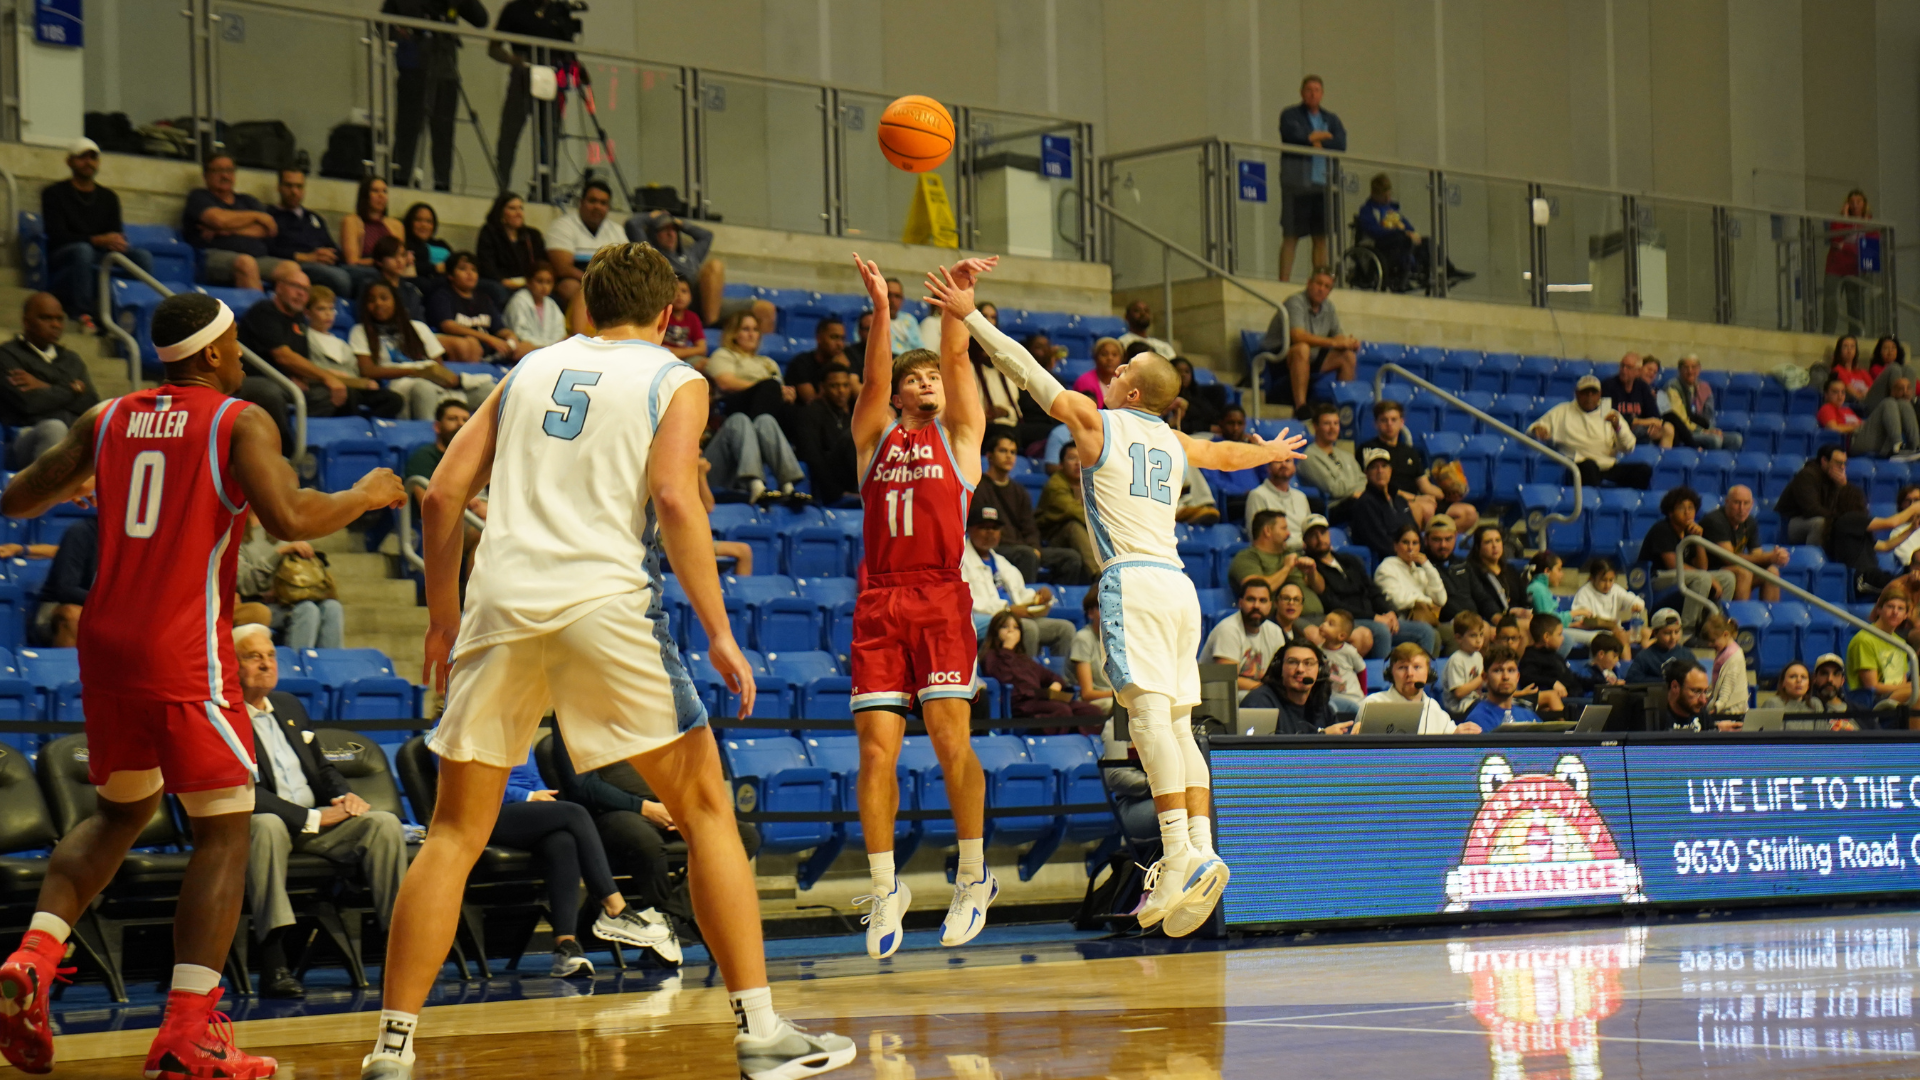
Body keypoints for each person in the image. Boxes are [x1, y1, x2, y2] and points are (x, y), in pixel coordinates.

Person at [363, 244, 854, 1080]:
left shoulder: (527, 369)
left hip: (501, 604)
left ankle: (391, 1050)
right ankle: (761, 1032)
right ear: (668, 313)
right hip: (603, 603)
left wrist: (443, 617)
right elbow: (672, 497)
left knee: (452, 833)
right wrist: (721, 630)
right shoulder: (674, 377)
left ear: (582, 308)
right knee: (704, 811)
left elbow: (442, 494)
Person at [0, 292, 404, 1078]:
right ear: (218, 354)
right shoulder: (237, 419)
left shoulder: (108, 417)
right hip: (184, 649)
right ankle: (189, 1030)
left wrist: (88, 489)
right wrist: (367, 495)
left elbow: (18, 497)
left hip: (105, 646)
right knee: (225, 826)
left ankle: (33, 955)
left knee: (119, 813)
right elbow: (289, 518)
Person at [954, 260, 1309, 940]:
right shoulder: (1173, 441)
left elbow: (1028, 373)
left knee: (1146, 721)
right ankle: (1200, 850)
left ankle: (1176, 855)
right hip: (1179, 587)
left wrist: (971, 316)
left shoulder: (1099, 422)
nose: (1107, 374)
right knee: (1178, 726)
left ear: (1132, 386)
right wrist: (1265, 451)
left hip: (1133, 581)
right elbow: (1227, 458)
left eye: (1119, 370)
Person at [842, 254, 998, 961]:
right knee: (876, 753)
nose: (927, 380)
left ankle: (972, 875)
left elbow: (960, 358)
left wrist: (953, 303)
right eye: (916, 378)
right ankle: (885, 887)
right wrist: (880, 310)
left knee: (947, 739)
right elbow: (874, 378)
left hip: (938, 594)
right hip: (879, 599)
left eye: (931, 374)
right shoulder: (874, 438)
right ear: (900, 393)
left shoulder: (960, 437)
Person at [235, 624, 408, 999]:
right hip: (265, 826)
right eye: (253, 657)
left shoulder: (288, 705)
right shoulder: (224, 718)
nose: (266, 665)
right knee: (265, 825)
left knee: (383, 823)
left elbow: (322, 768)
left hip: (316, 823)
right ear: (232, 667)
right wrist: (311, 818)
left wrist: (345, 798)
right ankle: (274, 961)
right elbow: (243, 791)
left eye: (270, 656)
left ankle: (398, 950)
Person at [541, 723, 720, 965]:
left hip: (665, 807)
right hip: (614, 813)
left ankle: (665, 918)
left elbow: (675, 770)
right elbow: (583, 787)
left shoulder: (639, 712)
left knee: (742, 836)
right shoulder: (570, 720)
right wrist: (644, 808)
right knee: (645, 842)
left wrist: (678, 806)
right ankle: (657, 925)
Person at [495, 741, 674, 978]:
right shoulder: (453, 728)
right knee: (575, 812)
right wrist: (528, 796)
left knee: (562, 842)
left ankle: (565, 947)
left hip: (524, 812)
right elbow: (472, 786)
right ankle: (614, 909)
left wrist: (545, 799)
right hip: (485, 813)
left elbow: (533, 778)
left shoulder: (516, 730)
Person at [240, 264, 405, 421]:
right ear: (279, 287)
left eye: (305, 289)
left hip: (288, 380)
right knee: (272, 393)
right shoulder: (264, 311)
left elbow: (299, 357)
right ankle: (285, 445)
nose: (301, 293)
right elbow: (283, 356)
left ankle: (333, 436)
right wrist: (327, 377)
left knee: (335, 394)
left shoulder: (297, 319)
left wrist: (299, 376)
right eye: (295, 286)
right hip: (255, 378)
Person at [41, 138, 154, 326]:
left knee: (143, 258)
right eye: (82, 157)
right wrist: (97, 240)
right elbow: (57, 235)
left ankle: (130, 309)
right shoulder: (54, 193)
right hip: (65, 255)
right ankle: (83, 313)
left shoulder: (109, 197)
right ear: (69, 161)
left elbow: (115, 233)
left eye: (93, 158)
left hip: (100, 254)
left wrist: (116, 242)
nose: (88, 162)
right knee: (82, 251)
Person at [352, 281, 494, 421]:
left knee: (488, 389)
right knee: (424, 388)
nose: (378, 304)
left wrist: (442, 378)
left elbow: (437, 366)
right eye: (371, 300)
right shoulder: (360, 331)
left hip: (432, 381)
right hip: (398, 385)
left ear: (395, 301)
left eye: (384, 298)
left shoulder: (418, 327)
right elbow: (367, 370)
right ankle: (431, 437)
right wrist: (415, 372)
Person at [383, 0, 485, 190]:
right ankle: (399, 181)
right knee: (408, 129)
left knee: (443, 134)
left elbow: (481, 19)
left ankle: (442, 184)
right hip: (414, 68)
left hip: (445, 70)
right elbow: (382, 24)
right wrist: (401, 33)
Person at [629, 210, 775, 332]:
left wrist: (681, 223)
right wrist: (652, 216)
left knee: (765, 309)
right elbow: (632, 225)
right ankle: (709, 325)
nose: (670, 234)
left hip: (704, 302)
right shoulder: (651, 253)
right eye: (664, 230)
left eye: (674, 230)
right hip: (679, 303)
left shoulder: (690, 254)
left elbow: (707, 236)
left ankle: (760, 361)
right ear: (654, 234)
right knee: (714, 266)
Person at [1305, 516, 1431, 657]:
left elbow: (1372, 590)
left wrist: (1389, 612)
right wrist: (1374, 617)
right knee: (1381, 631)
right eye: (1313, 536)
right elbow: (1331, 604)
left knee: (1426, 632)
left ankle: (1423, 676)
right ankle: (1385, 677)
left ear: (1328, 534)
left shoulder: (1350, 560)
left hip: (1373, 617)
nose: (1319, 538)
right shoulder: (1312, 570)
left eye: (1322, 533)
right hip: (1350, 621)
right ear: (1305, 542)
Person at [0, 293, 100, 468]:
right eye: (45, 318)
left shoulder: (72, 360)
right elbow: (28, 403)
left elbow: (91, 404)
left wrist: (44, 386)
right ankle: (46, 494)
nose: (55, 325)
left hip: (72, 439)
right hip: (23, 440)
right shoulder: (7, 355)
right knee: (54, 428)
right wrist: (72, 390)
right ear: (26, 322)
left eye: (59, 319)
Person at [961, 504, 1073, 658]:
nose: (990, 532)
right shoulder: (959, 562)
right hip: (983, 620)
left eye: (995, 528)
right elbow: (969, 604)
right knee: (1027, 628)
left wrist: (1038, 598)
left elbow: (1020, 594)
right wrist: (1007, 610)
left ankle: (1060, 679)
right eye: (983, 527)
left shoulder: (1001, 562)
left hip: (1012, 617)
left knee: (1064, 629)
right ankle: (1025, 678)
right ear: (970, 529)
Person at [970, 433, 1083, 585]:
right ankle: (1025, 600)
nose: (1009, 456)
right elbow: (979, 526)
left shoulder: (1019, 490)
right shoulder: (979, 488)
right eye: (1003, 451)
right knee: (1027, 555)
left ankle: (1060, 600)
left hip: (1022, 548)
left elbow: (1030, 527)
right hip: (995, 547)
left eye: (1013, 452)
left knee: (1071, 558)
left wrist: (1035, 547)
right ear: (989, 456)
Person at [488, 0, 575, 185]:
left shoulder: (559, 11)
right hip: (523, 74)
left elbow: (569, 51)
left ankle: (545, 187)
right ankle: (503, 186)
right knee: (509, 135)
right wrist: (513, 60)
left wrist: (575, 72)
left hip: (552, 76)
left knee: (549, 136)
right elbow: (493, 48)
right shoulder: (515, 9)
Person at [236, 513, 344, 650]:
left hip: (292, 597)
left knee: (332, 607)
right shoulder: (235, 534)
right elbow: (246, 584)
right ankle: (298, 667)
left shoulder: (283, 527)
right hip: (260, 603)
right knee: (307, 610)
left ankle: (331, 666)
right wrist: (279, 553)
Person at [1276, 75, 1345, 282]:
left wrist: (1315, 139)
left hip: (1323, 185)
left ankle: (1319, 281)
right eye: (1309, 89)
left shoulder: (1330, 119)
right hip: (1297, 185)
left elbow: (1340, 143)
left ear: (1322, 94)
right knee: (1291, 235)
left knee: (1320, 237)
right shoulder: (1290, 114)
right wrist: (1317, 138)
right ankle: (1283, 281)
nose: (1313, 93)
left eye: (1316, 90)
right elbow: (1293, 137)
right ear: (1301, 92)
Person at [1639, 486, 1735, 632]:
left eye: (1691, 507)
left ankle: (1713, 627)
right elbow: (1673, 565)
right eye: (1681, 508)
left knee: (1728, 577)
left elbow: (1702, 567)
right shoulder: (1662, 529)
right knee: (1703, 578)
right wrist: (1707, 576)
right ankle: (1688, 628)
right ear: (1670, 512)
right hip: (1657, 578)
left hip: (1683, 577)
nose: (1687, 512)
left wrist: (1698, 540)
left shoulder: (1690, 532)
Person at [978, 612, 1102, 725]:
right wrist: (1007, 649)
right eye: (1005, 627)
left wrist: (1056, 684)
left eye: (1016, 628)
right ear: (995, 631)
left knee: (1091, 711)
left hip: (1040, 700)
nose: (1011, 631)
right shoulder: (990, 656)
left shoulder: (1023, 658)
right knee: (1060, 710)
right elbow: (1004, 677)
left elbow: (1051, 676)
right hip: (1020, 705)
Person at [1530, 375, 1650, 488]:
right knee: (1589, 466)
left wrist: (1617, 428)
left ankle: (1622, 504)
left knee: (1643, 470)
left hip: (1607, 465)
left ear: (1600, 394)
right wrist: (1538, 430)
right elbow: (1536, 427)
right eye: (1585, 393)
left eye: (1594, 393)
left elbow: (1628, 447)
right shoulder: (1563, 410)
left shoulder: (1609, 412)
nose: (1589, 397)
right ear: (1576, 393)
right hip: (1577, 466)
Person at [1356, 173, 1470, 292]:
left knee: (1427, 242)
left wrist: (1411, 233)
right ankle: (1404, 275)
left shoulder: (1392, 210)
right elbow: (1375, 231)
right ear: (1375, 194)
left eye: (1389, 195)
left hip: (1400, 240)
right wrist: (1398, 231)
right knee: (1401, 237)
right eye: (1384, 196)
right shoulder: (1367, 211)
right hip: (1382, 243)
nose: (1388, 199)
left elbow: (1408, 226)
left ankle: (1448, 270)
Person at [1358, 399, 1457, 527]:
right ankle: (1421, 544)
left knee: (1468, 512)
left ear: (1402, 422)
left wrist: (1449, 494)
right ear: (1375, 424)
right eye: (1384, 420)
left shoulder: (1410, 451)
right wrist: (1415, 498)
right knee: (1425, 508)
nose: (1389, 424)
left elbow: (1425, 486)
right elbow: (1376, 486)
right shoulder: (1369, 450)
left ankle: (1440, 542)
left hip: (1417, 499)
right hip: (1391, 500)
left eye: (1394, 420)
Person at [184, 154, 275, 289]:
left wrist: (229, 229)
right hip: (212, 256)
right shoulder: (199, 197)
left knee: (292, 270)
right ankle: (261, 310)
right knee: (246, 263)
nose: (225, 176)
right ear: (206, 175)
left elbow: (269, 229)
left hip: (258, 258)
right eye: (218, 171)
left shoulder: (247, 200)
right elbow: (219, 220)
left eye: (229, 171)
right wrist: (256, 217)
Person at [428, 252, 532, 364]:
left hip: (491, 351)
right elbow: (448, 326)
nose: (469, 274)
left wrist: (511, 336)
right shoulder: (443, 296)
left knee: (528, 347)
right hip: (464, 350)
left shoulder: (484, 298)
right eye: (463, 269)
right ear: (451, 275)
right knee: (471, 344)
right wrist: (489, 339)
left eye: (474, 270)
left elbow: (500, 328)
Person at [1279, 271, 1358, 414]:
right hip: (1280, 358)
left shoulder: (1329, 307)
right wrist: (1334, 343)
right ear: (1309, 283)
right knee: (1302, 348)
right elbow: (1298, 336)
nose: (1322, 289)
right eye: (1318, 284)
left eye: (1327, 286)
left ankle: (1344, 412)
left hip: (1311, 358)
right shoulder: (1295, 301)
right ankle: (1301, 407)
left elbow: (1338, 336)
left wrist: (1348, 343)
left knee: (1348, 356)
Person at [266, 167, 352, 298]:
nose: (294, 191)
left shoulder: (314, 218)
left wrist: (328, 255)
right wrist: (306, 257)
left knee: (366, 277)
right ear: (279, 187)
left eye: (299, 187)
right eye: (289, 186)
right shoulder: (270, 216)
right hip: (297, 266)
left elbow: (334, 248)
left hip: (326, 265)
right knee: (342, 280)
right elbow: (268, 249)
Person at [1697, 485, 1789, 602]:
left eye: (1746, 503)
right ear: (1727, 502)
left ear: (1752, 504)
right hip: (1709, 571)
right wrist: (1770, 557)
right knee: (1743, 573)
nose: (1741, 509)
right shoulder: (1715, 520)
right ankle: (1741, 618)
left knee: (1772, 572)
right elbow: (1730, 558)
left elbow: (1757, 556)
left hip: (1732, 570)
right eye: (1737, 503)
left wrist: (1776, 557)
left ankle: (1771, 617)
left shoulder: (1750, 522)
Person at [1360, 643, 1478, 733]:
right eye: (1402, 667)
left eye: (1417, 667)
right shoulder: (1373, 704)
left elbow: (1453, 735)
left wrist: (1458, 734)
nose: (1410, 673)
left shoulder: (1433, 708)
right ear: (1391, 674)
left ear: (1429, 674)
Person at [1240, 641, 1356, 733]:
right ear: (1280, 668)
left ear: (1320, 671)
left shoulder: (1319, 703)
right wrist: (1321, 738)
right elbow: (1260, 757)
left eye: (1308, 663)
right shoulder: (1259, 702)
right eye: (1292, 662)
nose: (1300, 669)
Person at [1226, 511, 1321, 619]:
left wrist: (1312, 571)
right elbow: (1256, 590)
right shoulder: (1247, 557)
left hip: (1319, 617)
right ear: (1268, 531)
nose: (1288, 534)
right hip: (1286, 622)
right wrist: (1286, 568)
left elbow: (1320, 589)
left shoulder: (1290, 553)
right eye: (1283, 528)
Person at [545, 181, 624, 309]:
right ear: (581, 203)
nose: (597, 206)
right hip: (578, 282)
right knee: (571, 287)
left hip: (609, 282)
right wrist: (595, 282)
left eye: (603, 203)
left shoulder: (617, 230)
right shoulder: (562, 226)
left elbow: (627, 264)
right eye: (592, 201)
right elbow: (563, 268)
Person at [704, 410, 807, 507]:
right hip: (702, 476)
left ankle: (788, 489)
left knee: (765, 421)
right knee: (738, 420)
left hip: (735, 474)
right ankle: (756, 488)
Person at [1203, 579, 1288, 693]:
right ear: (1240, 603)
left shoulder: (1275, 631)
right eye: (1251, 599)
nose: (1256, 605)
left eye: (1262, 601)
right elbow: (1228, 680)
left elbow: (1281, 673)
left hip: (1258, 694)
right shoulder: (1228, 629)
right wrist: (1269, 691)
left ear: (1270, 605)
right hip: (1222, 696)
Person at [791, 365, 859, 506]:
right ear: (822, 388)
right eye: (835, 386)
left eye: (845, 385)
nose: (841, 391)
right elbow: (812, 456)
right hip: (828, 484)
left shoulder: (849, 416)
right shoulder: (810, 413)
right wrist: (837, 492)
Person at [707, 311, 791, 418]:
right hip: (737, 404)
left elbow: (780, 389)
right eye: (746, 329)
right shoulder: (724, 354)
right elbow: (725, 382)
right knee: (771, 386)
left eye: (755, 330)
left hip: (769, 402)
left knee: (796, 411)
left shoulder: (768, 362)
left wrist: (787, 395)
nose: (751, 335)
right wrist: (762, 388)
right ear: (734, 334)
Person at [475, 193, 548, 310]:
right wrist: (504, 281)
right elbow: (486, 264)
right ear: (500, 212)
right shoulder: (489, 232)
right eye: (512, 208)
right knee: (500, 293)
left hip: (528, 282)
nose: (519, 213)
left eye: (521, 208)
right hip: (499, 282)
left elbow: (541, 263)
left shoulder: (532, 235)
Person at [1036, 442, 1101, 575]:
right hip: (1053, 537)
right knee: (1073, 526)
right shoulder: (1055, 484)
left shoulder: (1090, 482)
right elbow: (1075, 511)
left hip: (1084, 534)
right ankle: (1098, 574)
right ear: (1060, 464)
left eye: (1081, 457)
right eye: (1072, 458)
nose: (1078, 463)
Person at [1374, 524, 1448, 639]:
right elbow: (1398, 600)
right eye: (1405, 542)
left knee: (1454, 633)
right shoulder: (1386, 568)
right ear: (1395, 546)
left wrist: (1427, 565)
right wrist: (1427, 601)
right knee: (1432, 635)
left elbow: (1441, 599)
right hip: (1399, 622)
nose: (1410, 548)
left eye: (1415, 543)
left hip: (1423, 620)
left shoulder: (1419, 571)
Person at [1847, 586, 1912, 710]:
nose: (1895, 612)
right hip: (1871, 701)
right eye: (1890, 606)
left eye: (1900, 608)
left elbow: (1901, 682)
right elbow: (1872, 686)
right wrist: (1910, 687)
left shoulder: (1901, 643)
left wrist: (1908, 687)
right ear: (1879, 610)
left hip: (1896, 695)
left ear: (1905, 615)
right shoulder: (1865, 639)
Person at [1297, 403, 1365, 519]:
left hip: (1357, 500)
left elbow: (1364, 480)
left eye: (1336, 423)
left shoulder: (1346, 455)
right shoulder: (1309, 457)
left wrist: (1359, 491)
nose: (1332, 428)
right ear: (1315, 426)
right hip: (1333, 508)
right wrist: (1355, 491)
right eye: (1327, 424)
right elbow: (1335, 489)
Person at [1659, 354, 1741, 450]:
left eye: (1693, 367)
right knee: (1714, 440)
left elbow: (1708, 416)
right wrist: (1702, 431)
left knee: (1736, 439)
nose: (1690, 371)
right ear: (1680, 370)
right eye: (1686, 367)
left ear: (1699, 369)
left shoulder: (1703, 388)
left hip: (1700, 429)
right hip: (1685, 432)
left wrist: (1711, 430)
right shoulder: (1673, 387)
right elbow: (1679, 420)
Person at [1349, 448, 1418, 560]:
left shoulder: (1400, 500)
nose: (1380, 471)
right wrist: (1409, 555)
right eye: (1374, 467)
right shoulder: (1365, 504)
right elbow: (1381, 543)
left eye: (1384, 466)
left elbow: (1415, 531)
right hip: (1388, 562)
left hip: (1410, 557)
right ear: (1366, 473)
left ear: (1390, 470)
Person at [1777, 445, 1849, 546]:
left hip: (1820, 517)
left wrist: (1843, 487)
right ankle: (1812, 557)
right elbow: (1811, 510)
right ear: (1824, 461)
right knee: (1820, 524)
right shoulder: (1807, 475)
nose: (1842, 467)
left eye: (1844, 463)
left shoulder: (1836, 480)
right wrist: (1838, 518)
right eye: (1838, 463)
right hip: (1789, 522)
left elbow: (1847, 507)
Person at [1824, 188, 1873, 333]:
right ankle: (1827, 335)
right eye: (1851, 202)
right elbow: (1835, 239)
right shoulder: (1839, 220)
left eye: (1858, 201)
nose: (1855, 205)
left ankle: (1856, 338)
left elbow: (1869, 249)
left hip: (1856, 268)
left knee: (1855, 305)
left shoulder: (1870, 222)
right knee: (1830, 303)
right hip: (1835, 268)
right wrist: (1844, 217)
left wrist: (1845, 247)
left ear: (1864, 204)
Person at [1570, 557, 1646, 651]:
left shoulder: (1616, 590)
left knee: (1645, 633)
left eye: (1611, 580)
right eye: (1603, 580)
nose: (1607, 585)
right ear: (1592, 579)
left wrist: (1636, 605)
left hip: (1615, 630)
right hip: (1594, 633)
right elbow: (1584, 620)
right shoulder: (1584, 593)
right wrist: (1609, 625)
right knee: (1621, 637)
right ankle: (1627, 664)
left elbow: (1637, 601)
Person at [1460, 525, 1531, 624]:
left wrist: (1524, 612)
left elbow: (1524, 600)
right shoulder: (1472, 572)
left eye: (1498, 540)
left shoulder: (1510, 570)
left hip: (1517, 619)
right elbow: (1481, 603)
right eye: (1488, 542)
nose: (1494, 546)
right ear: (1477, 547)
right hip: (1492, 622)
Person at [1463, 646, 1543, 731]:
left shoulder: (1528, 715)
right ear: (1485, 677)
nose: (1505, 677)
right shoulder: (1478, 719)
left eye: (1511, 670)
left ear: (1518, 677)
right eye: (1498, 670)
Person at [1598, 353, 1667, 445]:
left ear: (1638, 371)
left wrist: (1652, 424)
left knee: (1667, 429)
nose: (1623, 370)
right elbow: (1607, 416)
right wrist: (1640, 421)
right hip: (1616, 429)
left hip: (1638, 429)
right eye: (1622, 366)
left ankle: (1662, 457)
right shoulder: (1608, 386)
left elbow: (1655, 416)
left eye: (1629, 368)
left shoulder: (1643, 387)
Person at [1517, 613, 1577, 715]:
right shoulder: (1531, 656)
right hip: (1560, 702)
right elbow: (1527, 677)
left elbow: (1572, 679)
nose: (1563, 638)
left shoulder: (1556, 656)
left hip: (1573, 697)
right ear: (1546, 637)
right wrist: (1552, 682)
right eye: (1559, 634)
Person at [339, 176, 395, 284]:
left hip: (390, 271)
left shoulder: (395, 225)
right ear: (365, 195)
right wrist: (382, 262)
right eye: (375, 191)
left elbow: (399, 258)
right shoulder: (351, 221)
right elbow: (352, 261)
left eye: (384, 191)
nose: (381, 196)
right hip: (362, 272)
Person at [1069, 589, 1115, 714]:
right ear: (1090, 613)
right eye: (1102, 607)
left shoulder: (1120, 638)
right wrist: (1119, 695)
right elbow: (1087, 694)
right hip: (1095, 701)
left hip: (1115, 697)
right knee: (1119, 708)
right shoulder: (1083, 639)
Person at [1243, 456, 1310, 543]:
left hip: (1306, 552)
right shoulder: (1258, 495)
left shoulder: (1301, 497)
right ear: (1268, 468)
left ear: (1294, 467)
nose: (1283, 464)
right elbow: (1258, 538)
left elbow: (1310, 530)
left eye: (1288, 460)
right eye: (1278, 461)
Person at [1852, 372, 1920, 457]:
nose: (1905, 392)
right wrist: (1852, 427)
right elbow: (1834, 427)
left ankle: (1916, 447)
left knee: (1904, 404)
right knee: (1889, 402)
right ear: (1893, 391)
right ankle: (1897, 445)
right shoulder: (1839, 409)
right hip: (1861, 440)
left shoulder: (1911, 407)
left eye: (1908, 388)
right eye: (1900, 389)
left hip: (1882, 444)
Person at [788, 316, 852, 406]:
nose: (840, 344)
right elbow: (811, 403)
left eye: (842, 339)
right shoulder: (801, 363)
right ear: (819, 338)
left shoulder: (845, 363)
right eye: (834, 337)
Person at [505, 264, 568, 349]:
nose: (544, 286)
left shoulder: (551, 304)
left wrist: (548, 346)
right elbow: (520, 332)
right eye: (539, 281)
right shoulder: (519, 301)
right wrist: (543, 346)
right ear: (529, 282)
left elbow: (560, 330)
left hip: (547, 349)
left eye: (548, 282)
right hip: (527, 349)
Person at [368, 235, 429, 323]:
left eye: (403, 255)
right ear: (379, 261)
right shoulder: (369, 287)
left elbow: (419, 323)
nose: (399, 260)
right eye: (393, 256)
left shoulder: (410, 290)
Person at [1316, 609, 1367, 712]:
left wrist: (1364, 692)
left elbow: (1361, 670)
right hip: (1331, 699)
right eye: (1324, 621)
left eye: (1330, 624)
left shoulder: (1349, 651)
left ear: (1341, 635)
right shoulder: (1317, 651)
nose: (1323, 625)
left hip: (1353, 698)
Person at [1441, 612, 1487, 714]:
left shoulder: (1478, 656)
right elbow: (1459, 693)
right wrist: (1483, 677)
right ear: (1459, 638)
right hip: (1459, 708)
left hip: (1475, 701)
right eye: (1473, 636)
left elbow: (1482, 684)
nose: (1479, 640)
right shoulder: (1456, 660)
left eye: (1481, 635)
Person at [1169, 357, 1229, 436]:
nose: (1183, 375)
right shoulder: (1168, 398)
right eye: (1179, 371)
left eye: (1187, 372)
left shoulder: (1196, 395)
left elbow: (1212, 415)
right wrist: (1206, 427)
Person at [1625, 609, 1689, 681]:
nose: (1673, 637)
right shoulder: (1645, 657)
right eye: (1667, 633)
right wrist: (1663, 682)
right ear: (1655, 633)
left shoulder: (1686, 654)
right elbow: (1631, 679)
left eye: (1677, 632)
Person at [399, 203, 450, 285]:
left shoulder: (441, 244)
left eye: (428, 221)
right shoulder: (403, 245)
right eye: (418, 220)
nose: (424, 225)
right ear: (410, 222)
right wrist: (435, 268)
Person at [663, 277, 709, 362]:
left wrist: (677, 352)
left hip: (684, 358)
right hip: (661, 357)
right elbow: (656, 346)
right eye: (674, 291)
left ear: (691, 296)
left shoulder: (693, 318)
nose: (679, 295)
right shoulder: (661, 315)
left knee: (705, 363)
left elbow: (702, 349)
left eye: (684, 291)